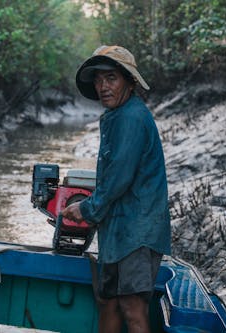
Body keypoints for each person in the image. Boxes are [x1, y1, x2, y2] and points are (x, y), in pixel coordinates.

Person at [62, 45, 171, 333]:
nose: (102, 86)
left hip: (136, 231)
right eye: (98, 80)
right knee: (108, 302)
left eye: (111, 78)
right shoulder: (118, 116)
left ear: (129, 81)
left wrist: (86, 209)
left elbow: (118, 179)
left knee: (132, 309)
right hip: (118, 231)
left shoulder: (132, 117)